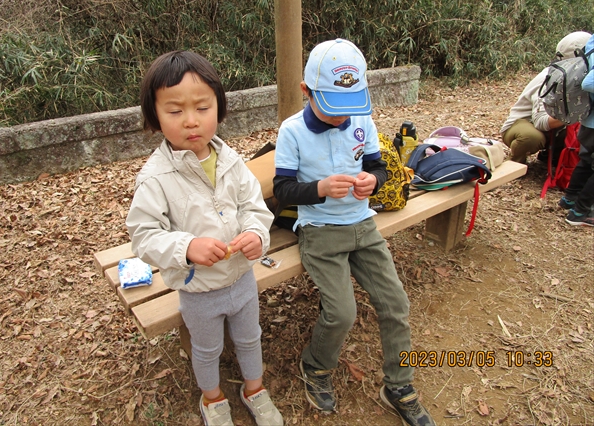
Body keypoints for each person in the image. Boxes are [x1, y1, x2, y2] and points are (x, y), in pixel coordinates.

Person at [273, 38, 435, 426]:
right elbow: (282, 191)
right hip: (320, 229)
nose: (341, 118)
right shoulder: (292, 131)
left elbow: (378, 167)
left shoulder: (361, 118)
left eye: (348, 108)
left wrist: (372, 182)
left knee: (396, 304)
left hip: (362, 224)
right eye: (332, 108)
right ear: (306, 91)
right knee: (342, 312)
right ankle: (315, 365)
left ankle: (399, 386)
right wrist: (321, 189)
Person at [126, 51, 283, 426]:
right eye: (175, 111)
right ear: (155, 116)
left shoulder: (231, 161)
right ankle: (212, 399)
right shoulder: (155, 178)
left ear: (219, 107)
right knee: (207, 348)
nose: (191, 121)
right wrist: (186, 247)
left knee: (250, 338)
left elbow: (254, 206)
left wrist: (255, 233)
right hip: (198, 291)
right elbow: (143, 236)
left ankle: (254, 389)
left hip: (242, 278)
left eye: (202, 107)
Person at [500, 31, 592, 164]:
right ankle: (515, 163)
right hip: (522, 124)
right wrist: (577, 114)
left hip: (554, 128)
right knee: (531, 137)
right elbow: (540, 121)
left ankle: (553, 156)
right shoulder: (550, 78)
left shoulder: (578, 77)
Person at [558, 33, 594, 226]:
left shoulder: (591, 43)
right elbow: (589, 82)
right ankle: (580, 212)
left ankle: (570, 199)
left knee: (587, 160)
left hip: (588, 119)